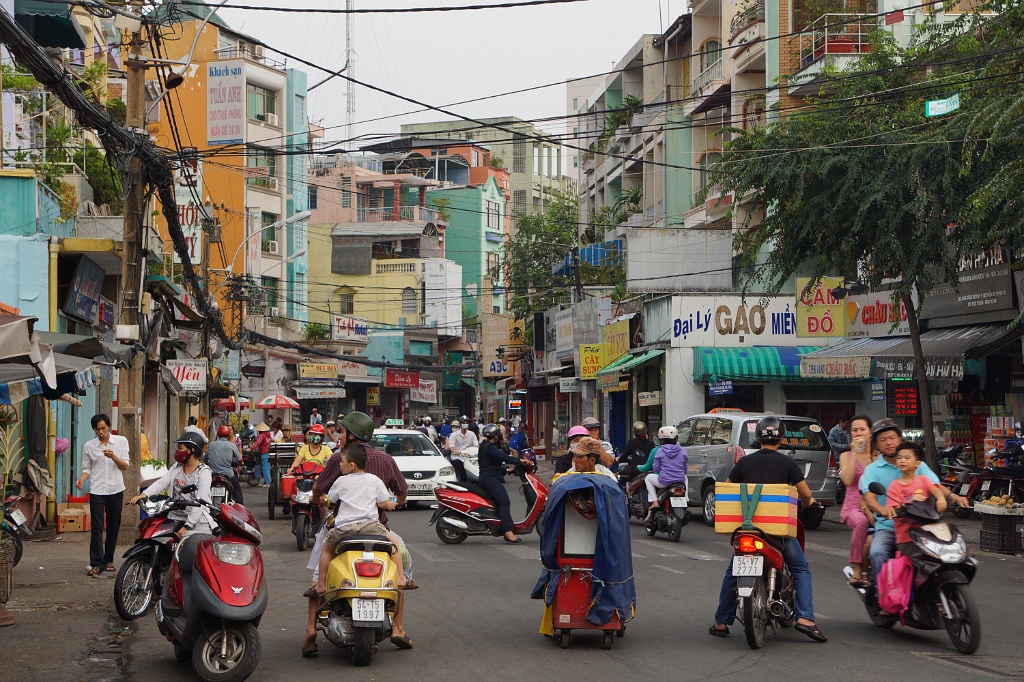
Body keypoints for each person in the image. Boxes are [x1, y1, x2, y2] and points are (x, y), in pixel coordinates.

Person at [302, 411, 413, 656]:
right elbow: (401, 491)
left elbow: (320, 489)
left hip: (341, 531)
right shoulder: (385, 460)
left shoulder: (338, 460)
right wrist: (397, 502)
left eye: (342, 432)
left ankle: (311, 629)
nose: (338, 436)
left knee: (319, 571)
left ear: (352, 435)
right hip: (378, 530)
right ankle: (397, 627)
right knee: (401, 562)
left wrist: (316, 499)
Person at [710, 416, 827, 643]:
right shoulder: (787, 463)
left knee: (732, 572)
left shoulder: (744, 463)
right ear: (781, 440)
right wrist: (810, 502)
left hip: (747, 530)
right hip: (776, 533)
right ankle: (805, 618)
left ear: (758, 438)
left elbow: (728, 490)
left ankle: (721, 622)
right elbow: (805, 493)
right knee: (801, 568)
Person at [860, 420, 967, 578]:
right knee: (877, 553)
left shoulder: (918, 465)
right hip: (889, 526)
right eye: (882, 440)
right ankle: (885, 589)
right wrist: (883, 510)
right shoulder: (872, 470)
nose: (888, 443)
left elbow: (935, 486)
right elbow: (869, 498)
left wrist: (952, 497)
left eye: (892, 438)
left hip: (923, 524)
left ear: (899, 439)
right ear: (876, 445)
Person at [314, 443, 404, 595]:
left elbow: (331, 499)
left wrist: (323, 500)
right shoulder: (374, 480)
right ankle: (401, 577)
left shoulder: (341, 481)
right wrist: (391, 503)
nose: (340, 464)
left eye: (341, 461)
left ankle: (321, 584)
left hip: (344, 530)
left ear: (352, 465)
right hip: (371, 527)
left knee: (326, 548)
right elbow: (383, 503)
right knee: (394, 543)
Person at [131, 432, 215, 537]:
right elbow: (162, 482)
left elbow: (200, 502)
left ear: (192, 450)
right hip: (176, 518)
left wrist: (188, 525)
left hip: (198, 522)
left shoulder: (203, 472)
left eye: (180, 448)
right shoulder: (177, 466)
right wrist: (145, 494)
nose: (177, 452)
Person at [76, 414, 129, 576]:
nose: (101, 432)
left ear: (108, 427)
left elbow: (125, 466)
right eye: (97, 429)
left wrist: (113, 456)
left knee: (113, 526)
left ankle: (108, 560)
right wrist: (82, 479)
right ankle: (96, 563)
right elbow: (87, 468)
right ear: (94, 429)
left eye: (103, 428)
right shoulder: (89, 446)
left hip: (115, 489)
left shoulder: (121, 441)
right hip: (97, 490)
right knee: (97, 528)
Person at [885, 441, 947, 551]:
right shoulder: (894, 486)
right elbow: (894, 509)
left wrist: (941, 499)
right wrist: (910, 502)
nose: (902, 460)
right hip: (906, 537)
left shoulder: (923, 479)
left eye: (907, 458)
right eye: (899, 458)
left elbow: (936, 490)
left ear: (917, 463)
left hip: (928, 532)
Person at [477, 423, 531, 544]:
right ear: (495, 436)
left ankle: (502, 525)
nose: (500, 436)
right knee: (504, 501)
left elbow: (490, 464)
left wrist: (507, 470)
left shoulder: (485, 446)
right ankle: (507, 531)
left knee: (499, 502)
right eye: (499, 434)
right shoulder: (490, 447)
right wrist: (520, 461)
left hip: (489, 476)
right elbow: (504, 457)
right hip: (489, 479)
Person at [839, 415, 874, 586]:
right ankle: (858, 568)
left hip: (876, 505)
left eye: (862, 429)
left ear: (870, 433)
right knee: (861, 522)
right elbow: (847, 480)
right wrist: (854, 453)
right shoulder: (846, 456)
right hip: (854, 507)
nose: (859, 433)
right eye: (855, 430)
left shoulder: (878, 457)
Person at [644, 426, 688, 520]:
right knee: (685, 477)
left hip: (663, 482)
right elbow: (685, 468)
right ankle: (686, 498)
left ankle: (654, 501)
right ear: (676, 438)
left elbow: (656, 468)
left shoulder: (660, 451)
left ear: (662, 440)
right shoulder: (683, 451)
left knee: (647, 478)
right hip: (680, 481)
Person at [205, 424, 244, 504]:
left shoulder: (211, 445)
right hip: (228, 474)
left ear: (218, 435)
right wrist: (238, 464)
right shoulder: (232, 446)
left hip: (212, 474)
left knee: (203, 489)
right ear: (228, 435)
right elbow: (240, 460)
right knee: (237, 491)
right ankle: (240, 508)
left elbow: (205, 459)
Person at [253, 421, 273, 488]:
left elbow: (257, 443)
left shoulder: (261, 435)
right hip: (267, 453)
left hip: (263, 453)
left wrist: (250, 448)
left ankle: (267, 482)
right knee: (267, 468)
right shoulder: (268, 435)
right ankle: (268, 481)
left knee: (265, 469)